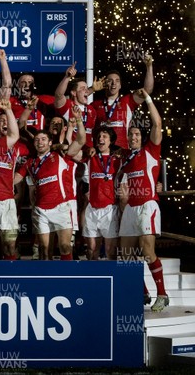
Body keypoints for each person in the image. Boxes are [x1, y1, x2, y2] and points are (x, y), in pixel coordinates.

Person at [118, 88, 168, 312]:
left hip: (148, 204)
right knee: (126, 254)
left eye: (137, 134)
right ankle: (143, 293)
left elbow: (157, 123)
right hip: (130, 208)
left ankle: (163, 294)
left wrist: (147, 98)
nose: (134, 137)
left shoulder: (151, 150)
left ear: (142, 136)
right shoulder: (125, 158)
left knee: (147, 251)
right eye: (131, 135)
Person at [14, 105, 86, 260]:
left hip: (61, 207)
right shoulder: (30, 163)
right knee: (43, 250)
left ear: (49, 142)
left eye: (43, 139)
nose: (40, 142)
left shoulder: (61, 155)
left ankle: (68, 280)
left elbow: (81, 140)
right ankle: (45, 282)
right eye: (37, 140)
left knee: (65, 246)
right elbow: (15, 179)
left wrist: (79, 120)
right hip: (41, 210)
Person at [91, 54, 154, 149]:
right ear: (104, 84)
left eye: (117, 81)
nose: (113, 83)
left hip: (121, 153)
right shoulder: (95, 105)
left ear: (120, 85)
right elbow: (76, 100)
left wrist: (149, 67)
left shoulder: (127, 101)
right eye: (110, 80)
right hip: (101, 153)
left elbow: (147, 90)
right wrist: (92, 89)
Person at [79, 126, 121, 260]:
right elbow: (72, 152)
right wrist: (86, 149)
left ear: (111, 141)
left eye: (104, 137)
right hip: (92, 209)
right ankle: (92, 280)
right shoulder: (90, 157)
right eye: (99, 137)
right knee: (91, 250)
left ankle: (112, 280)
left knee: (110, 251)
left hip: (110, 209)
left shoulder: (118, 160)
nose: (100, 139)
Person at [0, 95, 21, 260]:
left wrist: (18, 178)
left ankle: (13, 273)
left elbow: (27, 164)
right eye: (1, 121)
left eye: (7, 120)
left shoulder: (18, 148)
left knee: (10, 244)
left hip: (8, 201)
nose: (4, 123)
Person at [53, 62, 98, 149]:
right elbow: (58, 95)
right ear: (73, 93)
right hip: (71, 152)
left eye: (87, 88)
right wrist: (67, 77)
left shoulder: (91, 109)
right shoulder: (68, 106)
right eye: (82, 88)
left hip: (88, 153)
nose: (87, 91)